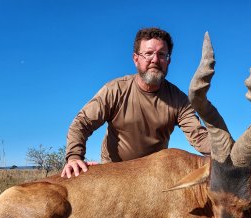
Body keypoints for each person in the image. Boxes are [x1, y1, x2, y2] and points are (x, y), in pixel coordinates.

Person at [61, 27, 210, 178]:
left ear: (168, 60)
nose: (155, 60)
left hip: (152, 177)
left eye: (162, 54)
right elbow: (81, 123)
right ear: (135, 59)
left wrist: (228, 153)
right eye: (148, 53)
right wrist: (74, 157)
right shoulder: (115, 90)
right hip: (113, 172)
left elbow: (198, 135)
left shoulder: (179, 100)